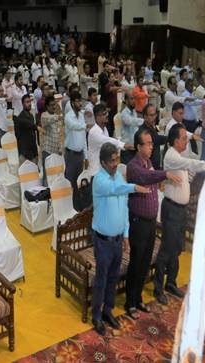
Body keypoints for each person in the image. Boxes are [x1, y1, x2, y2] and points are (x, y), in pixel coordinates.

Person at [154, 123, 205, 305]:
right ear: (175, 141)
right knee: (166, 249)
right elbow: (191, 163)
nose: (186, 141)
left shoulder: (179, 156)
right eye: (183, 138)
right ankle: (159, 288)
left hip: (179, 210)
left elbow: (188, 172)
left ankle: (171, 282)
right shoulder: (172, 156)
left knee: (176, 248)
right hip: (172, 209)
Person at [91, 142, 149, 336]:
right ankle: (96, 316)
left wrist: (125, 235)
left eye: (117, 160)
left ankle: (108, 311)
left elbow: (124, 208)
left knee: (113, 278)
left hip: (116, 240)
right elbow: (117, 190)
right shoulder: (99, 181)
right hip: (103, 241)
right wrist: (134, 187)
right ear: (102, 162)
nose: (116, 164)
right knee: (101, 279)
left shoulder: (118, 178)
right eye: (112, 161)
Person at [125, 128, 181, 319]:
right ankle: (130, 302)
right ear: (138, 147)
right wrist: (164, 174)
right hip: (138, 222)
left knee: (146, 261)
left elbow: (152, 175)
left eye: (151, 143)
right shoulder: (133, 166)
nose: (151, 147)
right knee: (136, 262)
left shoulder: (149, 162)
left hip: (149, 223)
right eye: (147, 144)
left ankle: (138, 298)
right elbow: (146, 177)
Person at [87, 103, 132, 176]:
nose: (107, 115)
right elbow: (107, 141)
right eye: (104, 114)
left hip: (104, 172)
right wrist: (123, 145)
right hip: (96, 174)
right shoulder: (94, 132)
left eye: (106, 113)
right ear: (97, 117)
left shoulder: (104, 129)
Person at [64, 92, 87, 210]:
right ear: (72, 103)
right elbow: (74, 126)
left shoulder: (82, 115)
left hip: (80, 155)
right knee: (70, 182)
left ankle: (77, 208)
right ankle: (67, 207)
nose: (80, 103)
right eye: (78, 101)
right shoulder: (68, 116)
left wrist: (86, 156)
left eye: (80, 101)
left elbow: (83, 138)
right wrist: (86, 126)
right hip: (71, 155)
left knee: (78, 183)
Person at [40, 95, 64, 186]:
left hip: (56, 152)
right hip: (47, 151)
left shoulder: (56, 116)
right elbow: (48, 120)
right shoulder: (44, 116)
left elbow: (58, 134)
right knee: (47, 175)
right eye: (51, 105)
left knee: (55, 174)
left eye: (55, 104)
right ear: (47, 106)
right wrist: (59, 117)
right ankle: (46, 195)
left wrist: (60, 148)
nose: (54, 106)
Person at [138, 104, 166, 170]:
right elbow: (157, 139)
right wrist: (170, 137)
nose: (154, 117)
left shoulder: (150, 125)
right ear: (145, 116)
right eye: (151, 115)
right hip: (149, 167)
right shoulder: (143, 131)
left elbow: (156, 134)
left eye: (155, 115)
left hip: (156, 164)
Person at [119, 91, 144, 164]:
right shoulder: (124, 113)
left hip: (134, 148)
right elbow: (131, 121)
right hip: (127, 150)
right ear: (126, 101)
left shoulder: (134, 112)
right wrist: (144, 120)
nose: (134, 101)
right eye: (132, 99)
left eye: (134, 99)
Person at [14, 94, 38, 165]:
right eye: (27, 102)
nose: (29, 104)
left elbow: (33, 135)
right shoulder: (20, 118)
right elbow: (18, 136)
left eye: (30, 102)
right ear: (23, 104)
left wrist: (36, 152)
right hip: (24, 153)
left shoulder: (31, 116)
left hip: (33, 152)